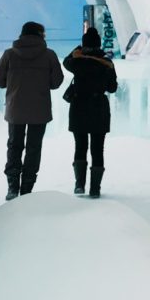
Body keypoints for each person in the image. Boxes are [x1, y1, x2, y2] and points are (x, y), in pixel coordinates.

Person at [0, 21, 63, 200]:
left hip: (15, 108)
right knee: (34, 148)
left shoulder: (9, 55)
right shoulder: (49, 55)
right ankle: (27, 189)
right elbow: (56, 82)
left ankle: (12, 186)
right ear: (40, 35)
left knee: (14, 145)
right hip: (39, 110)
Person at [62, 27, 118, 197]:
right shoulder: (106, 63)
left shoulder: (77, 61)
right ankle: (95, 188)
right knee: (97, 148)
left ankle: (79, 184)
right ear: (99, 44)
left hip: (79, 106)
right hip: (98, 107)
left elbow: (66, 61)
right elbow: (112, 88)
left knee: (80, 146)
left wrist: (78, 50)